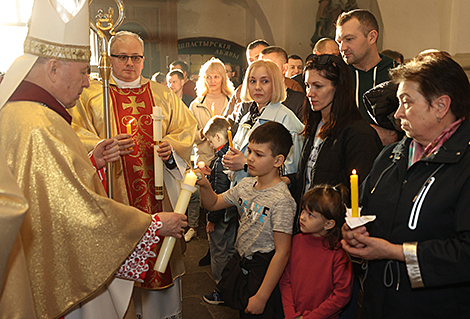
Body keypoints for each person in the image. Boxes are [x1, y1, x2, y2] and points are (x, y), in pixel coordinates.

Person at [0, 1, 187, 318]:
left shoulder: (20, 113)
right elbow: (77, 216)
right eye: (85, 71)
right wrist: (152, 225)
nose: (88, 81)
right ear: (54, 68)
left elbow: (47, 193)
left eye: (136, 57)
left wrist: (92, 162)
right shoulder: (41, 127)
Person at [71, 30, 197, 319]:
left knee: (158, 267)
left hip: (157, 197)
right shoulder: (92, 95)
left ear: (143, 59)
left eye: (136, 57)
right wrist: (101, 149)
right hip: (114, 196)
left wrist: (171, 148)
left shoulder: (162, 93)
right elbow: (75, 134)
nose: (130, 63)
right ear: (109, 59)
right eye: (122, 57)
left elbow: (186, 129)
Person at [341, 52, 470, 318]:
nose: (398, 113)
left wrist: (395, 252)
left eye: (406, 102)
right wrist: (355, 229)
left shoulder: (465, 163)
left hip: (435, 307)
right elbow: (365, 205)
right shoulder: (391, 155)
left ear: (441, 106)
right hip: (379, 301)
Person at [197, 121, 296, 318]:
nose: (249, 158)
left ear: (278, 161)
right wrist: (205, 185)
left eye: (258, 155)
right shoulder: (245, 186)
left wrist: (262, 296)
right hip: (243, 264)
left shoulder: (282, 200)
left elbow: (282, 253)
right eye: (249, 151)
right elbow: (214, 204)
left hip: (264, 271)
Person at [285, 54, 381, 227]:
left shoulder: (358, 133)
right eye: (307, 85)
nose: (309, 93)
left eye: (318, 86)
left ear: (338, 88)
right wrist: (290, 180)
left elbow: (358, 191)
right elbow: (312, 174)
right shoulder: (315, 124)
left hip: (333, 229)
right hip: (308, 224)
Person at [222, 59, 304, 187]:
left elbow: (289, 173)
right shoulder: (247, 117)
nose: (257, 87)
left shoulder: (287, 119)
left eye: (265, 81)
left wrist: (245, 164)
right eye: (252, 81)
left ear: (276, 84)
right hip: (240, 194)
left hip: (268, 200)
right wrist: (230, 161)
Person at [280, 184, 353, 319]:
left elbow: (342, 295)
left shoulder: (338, 253)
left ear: (328, 224)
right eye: (303, 211)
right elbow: (286, 279)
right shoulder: (296, 241)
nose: (302, 217)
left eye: (310, 215)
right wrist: (291, 313)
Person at [186, 58, 234, 242]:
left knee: (224, 196)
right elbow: (190, 136)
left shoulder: (232, 100)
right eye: (208, 77)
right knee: (207, 197)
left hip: (226, 158)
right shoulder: (197, 104)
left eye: (216, 77)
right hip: (205, 156)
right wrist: (204, 132)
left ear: (223, 78)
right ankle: (210, 240)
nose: (212, 81)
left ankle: (224, 238)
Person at [335, 9, 399, 145]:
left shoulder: (398, 74)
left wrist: (396, 135)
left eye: (349, 39)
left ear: (372, 37)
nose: (342, 47)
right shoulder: (336, 75)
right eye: (339, 41)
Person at [198, 116, 238, 305]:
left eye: (211, 140)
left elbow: (219, 191)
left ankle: (221, 290)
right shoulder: (228, 157)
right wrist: (211, 172)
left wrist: (211, 219)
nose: (211, 145)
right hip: (231, 214)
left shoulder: (222, 160)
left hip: (220, 215)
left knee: (219, 252)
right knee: (230, 249)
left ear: (218, 137)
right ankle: (231, 287)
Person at [223, 39, 270, 132]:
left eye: (258, 57)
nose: (255, 63)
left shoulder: (289, 86)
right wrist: (234, 116)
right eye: (251, 60)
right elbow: (228, 118)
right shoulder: (241, 90)